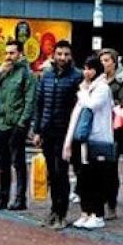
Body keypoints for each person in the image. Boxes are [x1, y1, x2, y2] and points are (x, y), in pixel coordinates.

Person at [28, 40, 80, 226]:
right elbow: (40, 104)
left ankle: (61, 213)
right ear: (54, 55)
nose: (63, 58)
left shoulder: (77, 77)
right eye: (59, 54)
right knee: (51, 172)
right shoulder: (47, 76)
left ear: (70, 56)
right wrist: (37, 131)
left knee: (61, 172)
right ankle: (53, 209)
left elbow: (79, 107)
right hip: (48, 131)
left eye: (66, 54)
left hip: (65, 132)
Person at [64, 53, 117, 230]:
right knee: (84, 177)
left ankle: (98, 214)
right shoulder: (87, 88)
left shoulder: (102, 88)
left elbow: (91, 105)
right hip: (84, 141)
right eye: (85, 68)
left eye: (90, 69)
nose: (86, 72)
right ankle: (86, 213)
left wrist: (82, 92)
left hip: (98, 139)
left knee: (96, 178)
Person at [0, 38, 34, 211]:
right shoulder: (4, 72)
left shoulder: (26, 74)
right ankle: (2, 198)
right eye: (7, 53)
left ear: (20, 54)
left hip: (15, 124)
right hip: (0, 123)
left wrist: (22, 124)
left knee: (18, 162)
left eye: (12, 53)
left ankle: (20, 199)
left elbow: (30, 101)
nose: (8, 56)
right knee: (2, 163)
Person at [100, 48, 123, 218]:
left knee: (111, 167)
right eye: (102, 60)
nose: (104, 63)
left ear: (114, 61)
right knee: (98, 166)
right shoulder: (98, 79)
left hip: (114, 128)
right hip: (99, 127)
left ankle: (111, 205)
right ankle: (100, 200)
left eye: (107, 60)